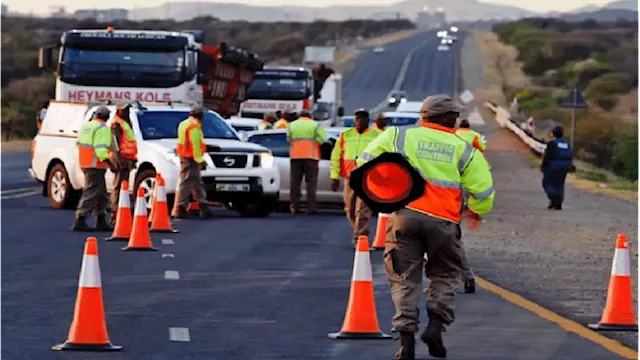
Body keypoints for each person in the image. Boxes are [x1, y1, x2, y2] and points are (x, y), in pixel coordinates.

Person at [356, 95, 494, 359]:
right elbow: (484, 191)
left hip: (404, 217)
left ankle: (406, 343)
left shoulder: (398, 136)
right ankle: (435, 326)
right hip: (443, 222)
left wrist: (390, 189)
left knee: (404, 278)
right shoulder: (463, 148)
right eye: (453, 115)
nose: (456, 120)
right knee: (445, 275)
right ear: (444, 118)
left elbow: (366, 163)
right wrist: (476, 210)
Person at [330, 109, 381, 247]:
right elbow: (336, 156)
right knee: (349, 209)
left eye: (363, 118)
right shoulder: (345, 135)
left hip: (367, 178)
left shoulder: (376, 135)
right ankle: (358, 230)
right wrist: (334, 176)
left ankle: (360, 237)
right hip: (349, 177)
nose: (359, 121)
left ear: (367, 120)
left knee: (362, 210)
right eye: (357, 118)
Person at [72, 105, 120, 232]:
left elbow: (78, 145)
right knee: (91, 192)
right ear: (107, 117)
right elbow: (101, 150)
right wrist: (111, 164)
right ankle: (80, 219)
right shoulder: (103, 129)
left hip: (85, 163)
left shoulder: (87, 127)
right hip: (95, 165)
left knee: (101, 193)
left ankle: (101, 219)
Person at [174, 104, 213, 219]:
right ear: (200, 115)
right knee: (187, 182)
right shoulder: (194, 126)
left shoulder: (184, 123)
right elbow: (194, 144)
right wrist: (199, 159)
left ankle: (204, 207)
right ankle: (180, 208)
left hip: (185, 156)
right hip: (190, 158)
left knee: (197, 182)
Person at [286, 110, 327, 215]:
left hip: (295, 157)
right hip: (311, 157)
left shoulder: (292, 125)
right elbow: (323, 140)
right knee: (311, 184)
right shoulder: (316, 125)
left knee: (295, 183)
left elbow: (288, 139)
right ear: (310, 116)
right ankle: (311, 208)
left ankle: (294, 207)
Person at [108, 103, 138, 225]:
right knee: (118, 185)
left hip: (127, 158)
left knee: (123, 186)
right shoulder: (117, 124)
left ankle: (121, 212)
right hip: (121, 159)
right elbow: (114, 144)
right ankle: (115, 212)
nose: (127, 111)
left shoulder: (126, 123)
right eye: (125, 110)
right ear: (119, 111)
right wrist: (118, 159)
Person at [541, 126, 574, 210]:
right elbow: (570, 155)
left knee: (547, 182)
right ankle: (557, 202)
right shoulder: (567, 143)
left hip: (554, 165)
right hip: (565, 165)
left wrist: (543, 166)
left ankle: (554, 199)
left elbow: (547, 156)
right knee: (559, 184)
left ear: (553, 133)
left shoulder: (552, 143)